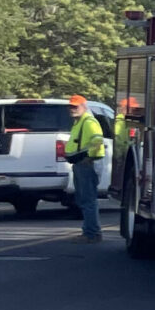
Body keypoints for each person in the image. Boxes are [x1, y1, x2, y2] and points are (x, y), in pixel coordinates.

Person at [64, 95, 108, 242]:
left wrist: (89, 158)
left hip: (86, 164)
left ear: (84, 106)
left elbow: (97, 141)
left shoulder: (88, 122)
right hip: (81, 164)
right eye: (71, 106)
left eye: (75, 106)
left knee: (88, 200)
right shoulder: (79, 122)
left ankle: (92, 233)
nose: (72, 109)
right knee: (85, 199)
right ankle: (89, 231)